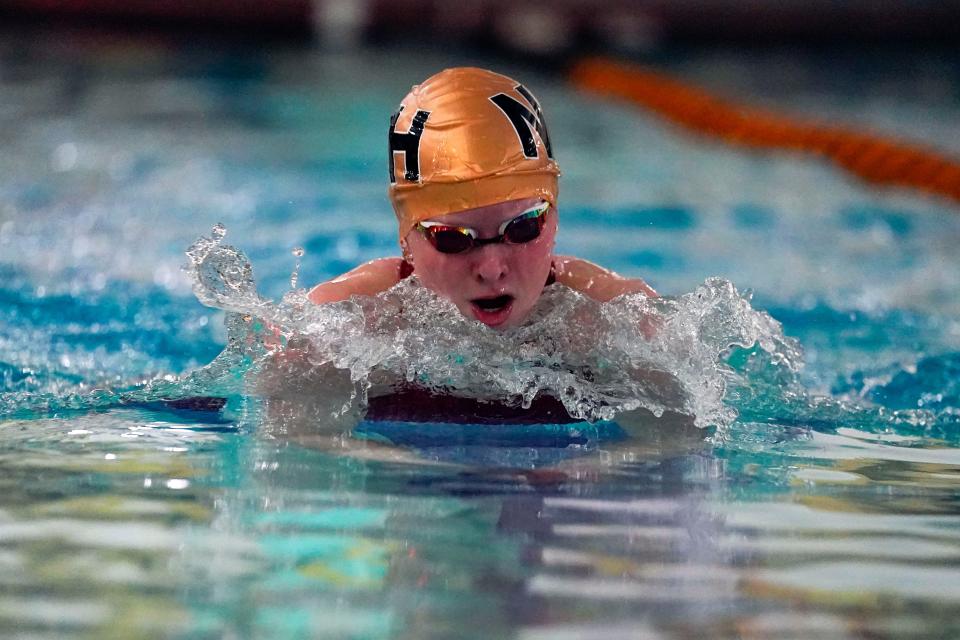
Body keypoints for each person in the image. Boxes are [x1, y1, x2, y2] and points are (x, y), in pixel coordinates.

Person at [307, 67, 656, 328]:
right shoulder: (342, 326)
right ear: (406, 241)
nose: (491, 269)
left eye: (522, 228)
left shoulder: (622, 320)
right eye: (453, 239)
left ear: (553, 221)